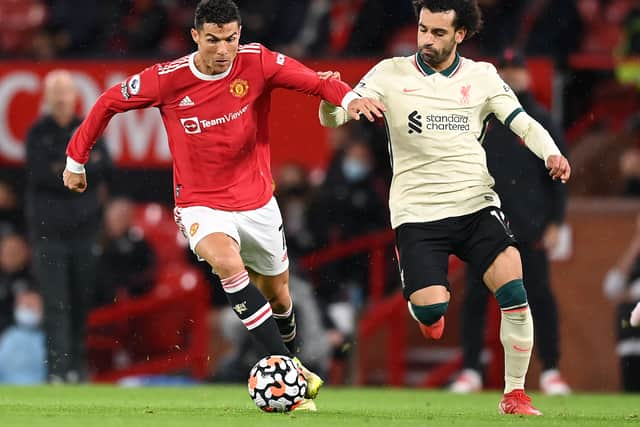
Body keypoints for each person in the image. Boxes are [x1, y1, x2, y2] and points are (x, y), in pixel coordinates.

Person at [62, 0, 384, 409]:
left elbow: (318, 82)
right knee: (228, 264)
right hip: (200, 204)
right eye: (212, 40)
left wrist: (349, 98)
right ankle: (290, 367)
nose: (222, 49)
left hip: (257, 204)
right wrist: (76, 159)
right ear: (195, 36)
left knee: (280, 295)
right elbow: (108, 101)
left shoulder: (258, 62)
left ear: (239, 35)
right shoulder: (167, 79)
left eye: (230, 39)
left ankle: (288, 354)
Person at [318, 0, 570, 415]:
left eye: (438, 33)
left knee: (515, 290)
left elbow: (522, 121)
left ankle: (515, 394)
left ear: (460, 35)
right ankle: (426, 306)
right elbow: (334, 117)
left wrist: (552, 154)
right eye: (422, 30)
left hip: (476, 204)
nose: (427, 40)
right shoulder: (389, 73)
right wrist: (335, 102)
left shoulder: (482, 76)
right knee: (433, 311)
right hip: (418, 214)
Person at [449, 50, 571, 396]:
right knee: (475, 299)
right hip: (484, 225)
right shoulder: (485, 118)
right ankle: (471, 368)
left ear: (528, 75)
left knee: (540, 299)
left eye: (518, 68)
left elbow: (558, 174)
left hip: (529, 228)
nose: (513, 76)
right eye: (507, 69)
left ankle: (551, 370)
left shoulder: (540, 118)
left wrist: (556, 222)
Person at [25, 69, 112, 383]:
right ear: (47, 98)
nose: (61, 99)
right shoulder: (38, 133)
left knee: (80, 302)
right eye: (56, 93)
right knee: (55, 303)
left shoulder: (88, 129)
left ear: (75, 97)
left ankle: (77, 368)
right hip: (49, 234)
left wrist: (61, 171)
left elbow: (106, 167)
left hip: (85, 231)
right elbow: (39, 174)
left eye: (66, 92)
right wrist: (78, 172)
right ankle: (57, 370)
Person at [602, 213, 640, 392]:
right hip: (630, 340)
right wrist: (637, 243)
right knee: (631, 387)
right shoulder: (633, 261)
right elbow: (612, 289)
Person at [0, 290, 47, 384]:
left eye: (33, 306)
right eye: (27, 306)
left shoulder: (46, 338)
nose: (29, 311)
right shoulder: (8, 337)